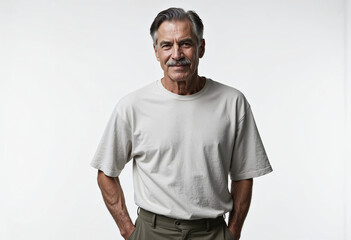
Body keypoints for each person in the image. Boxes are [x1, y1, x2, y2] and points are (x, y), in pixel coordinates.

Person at [91, 7, 273, 240]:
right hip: (152, 231)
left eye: (185, 43)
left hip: (212, 232)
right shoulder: (132, 106)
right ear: (156, 52)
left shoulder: (232, 102)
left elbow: (244, 173)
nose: (176, 54)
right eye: (167, 45)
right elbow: (106, 172)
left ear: (201, 47)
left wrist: (233, 232)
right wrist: (129, 231)